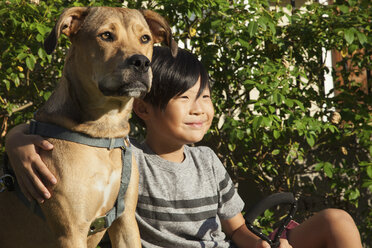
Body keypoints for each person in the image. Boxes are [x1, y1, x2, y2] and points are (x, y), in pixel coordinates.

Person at [4, 47, 362, 248]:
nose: (199, 108)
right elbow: (70, 135)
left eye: (204, 96)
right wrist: (17, 137)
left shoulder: (207, 160)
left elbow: (237, 229)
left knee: (337, 220)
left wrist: (260, 246)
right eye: (184, 98)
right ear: (143, 108)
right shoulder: (127, 158)